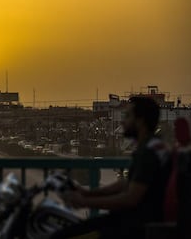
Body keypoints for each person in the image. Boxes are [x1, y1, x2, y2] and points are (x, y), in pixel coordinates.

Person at [52, 96, 171, 239]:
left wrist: (84, 202)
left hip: (134, 228)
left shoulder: (148, 153)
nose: (123, 121)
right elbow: (126, 184)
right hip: (128, 222)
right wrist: (87, 193)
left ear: (140, 121)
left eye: (127, 116)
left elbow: (130, 199)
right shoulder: (152, 147)